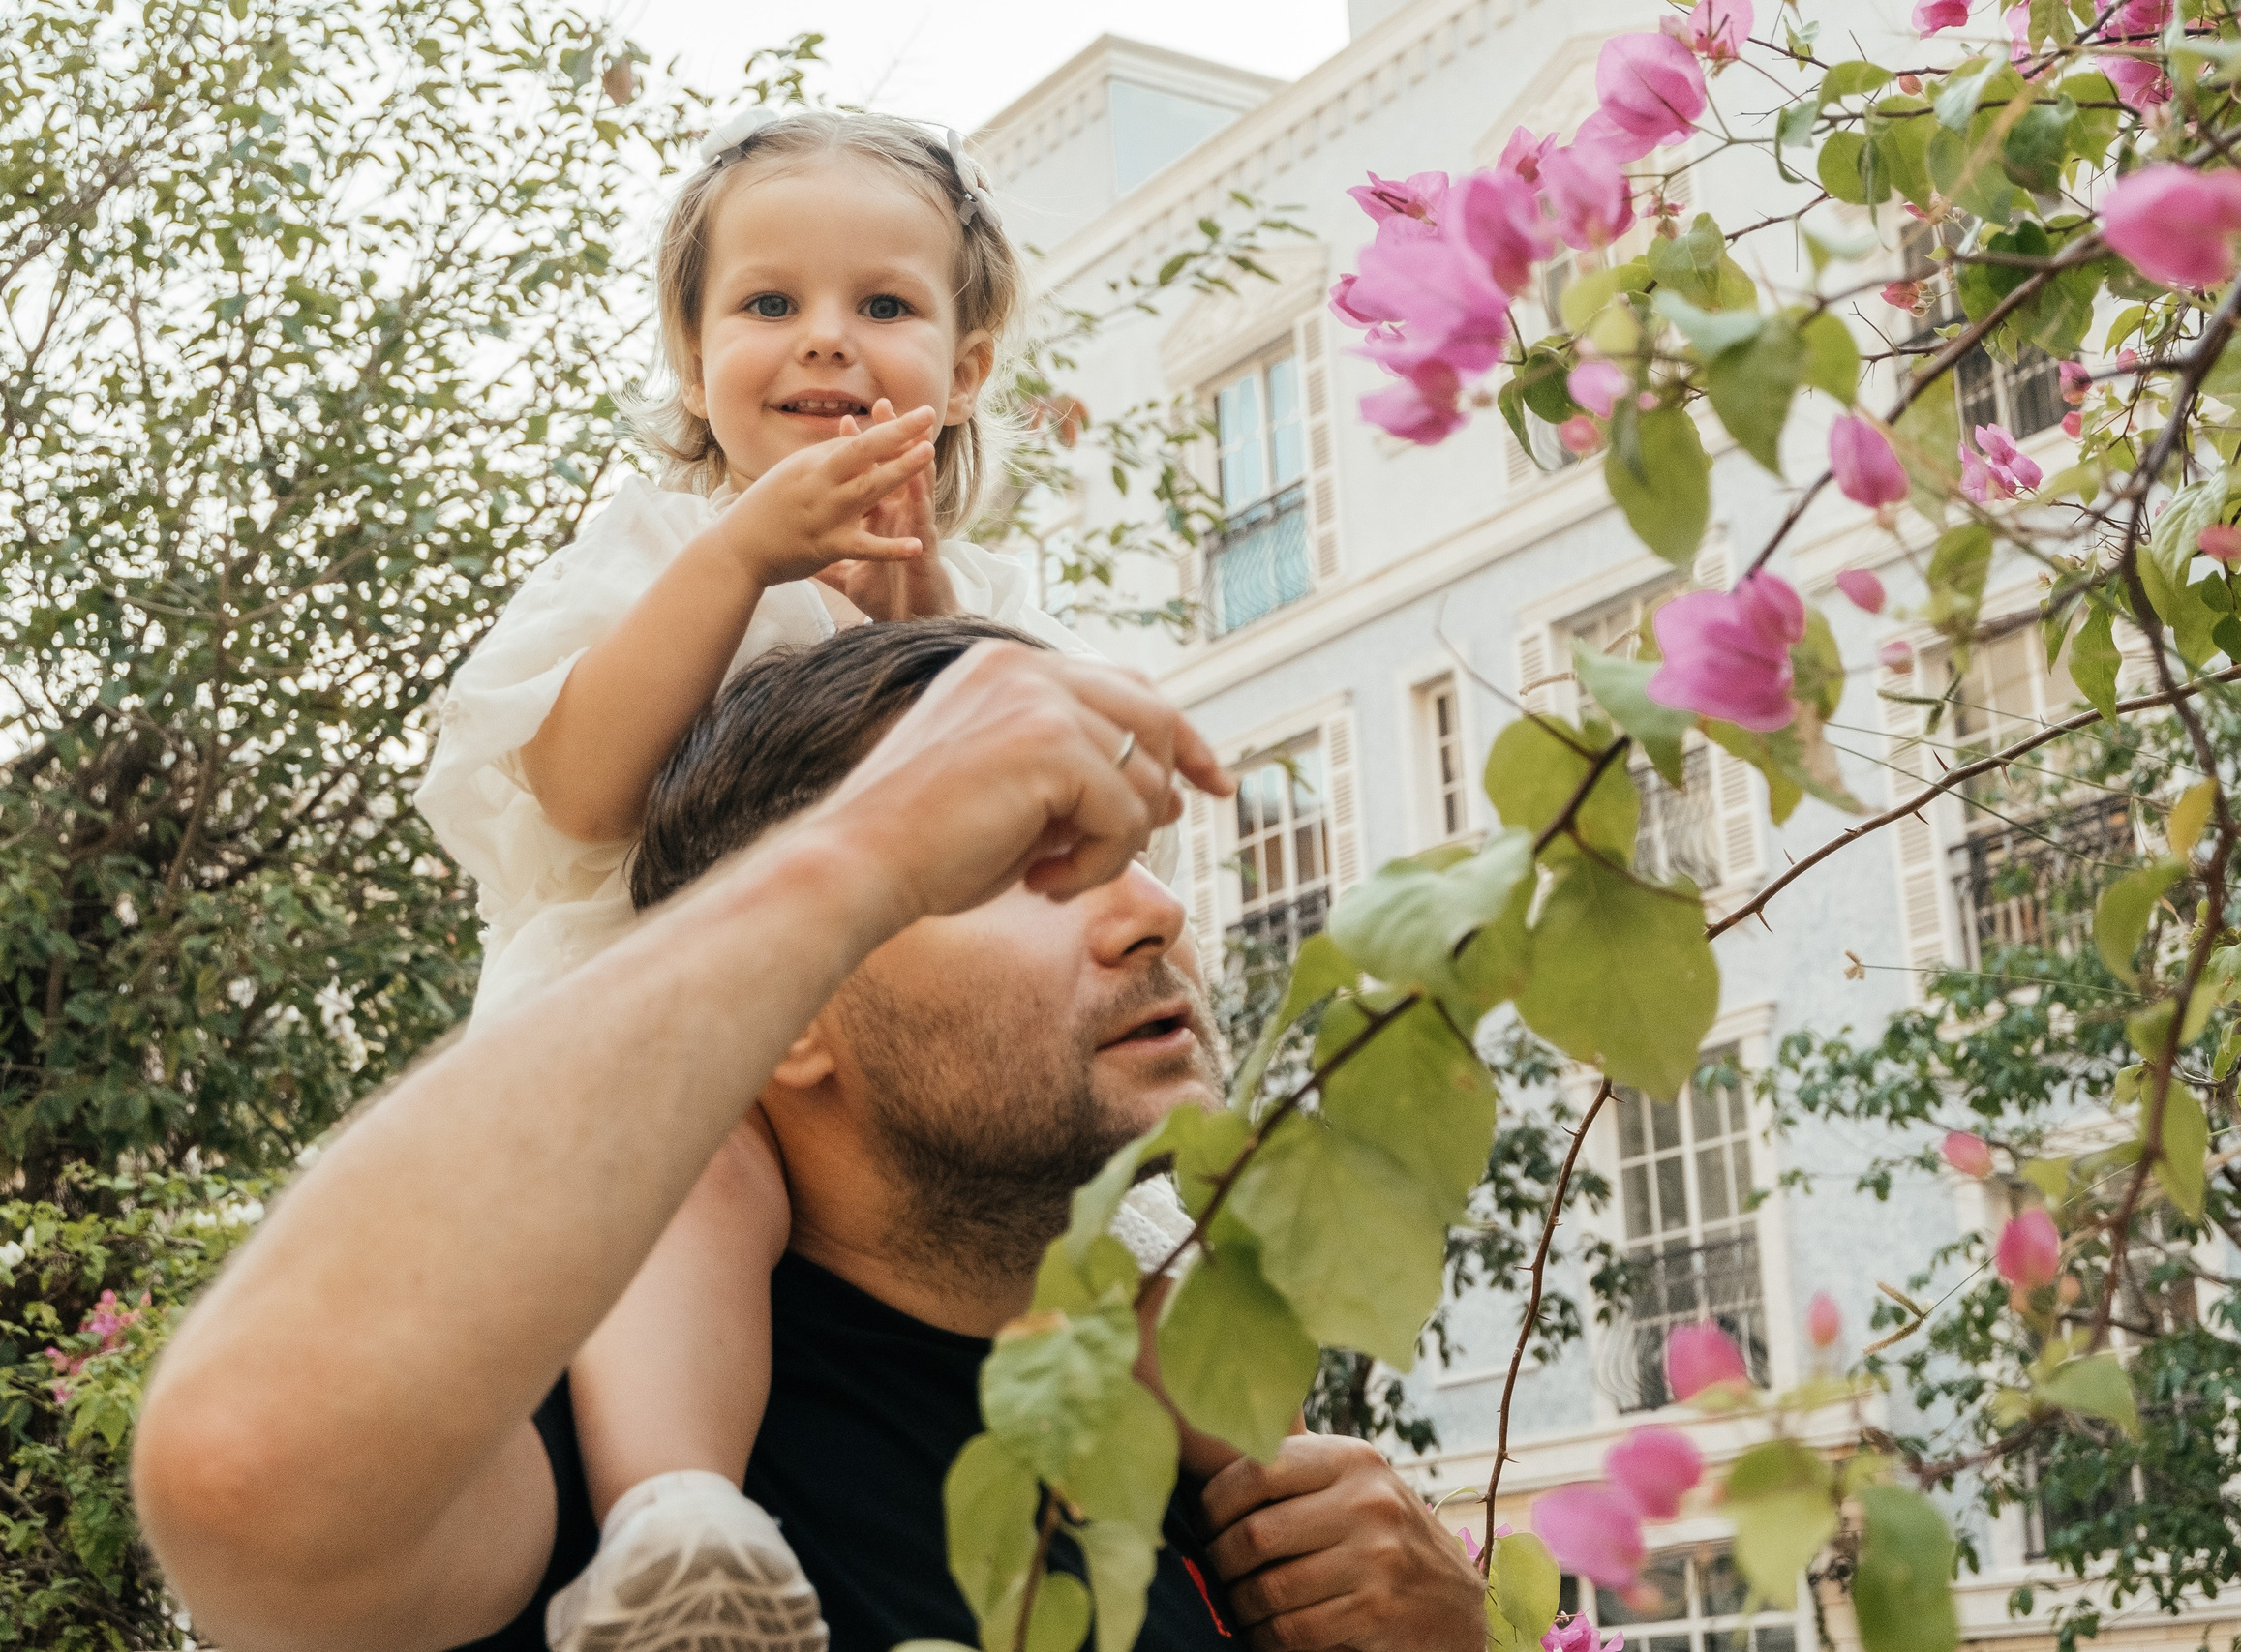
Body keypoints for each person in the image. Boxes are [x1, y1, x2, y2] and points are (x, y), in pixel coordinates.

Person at [133, 620, 1491, 1652]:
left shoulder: (1221, 1473)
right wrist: (858, 853)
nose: (1150, 918)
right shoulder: (623, 1467)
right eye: (1019, 861)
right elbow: (239, 1466)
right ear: (789, 1011)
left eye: (1129, 850)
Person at [409, 108, 1193, 1650]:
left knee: (1143, 1246)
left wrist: (932, 618)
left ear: (966, 370)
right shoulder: (655, 552)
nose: (825, 342)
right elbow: (575, 787)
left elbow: (1058, 797)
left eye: (884, 306)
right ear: (695, 361)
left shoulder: (997, 595)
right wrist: (737, 563)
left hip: (901, 1051)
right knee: (689, 1183)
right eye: (769, 305)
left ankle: (1226, 1509)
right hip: (665, 1016)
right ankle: (680, 1525)